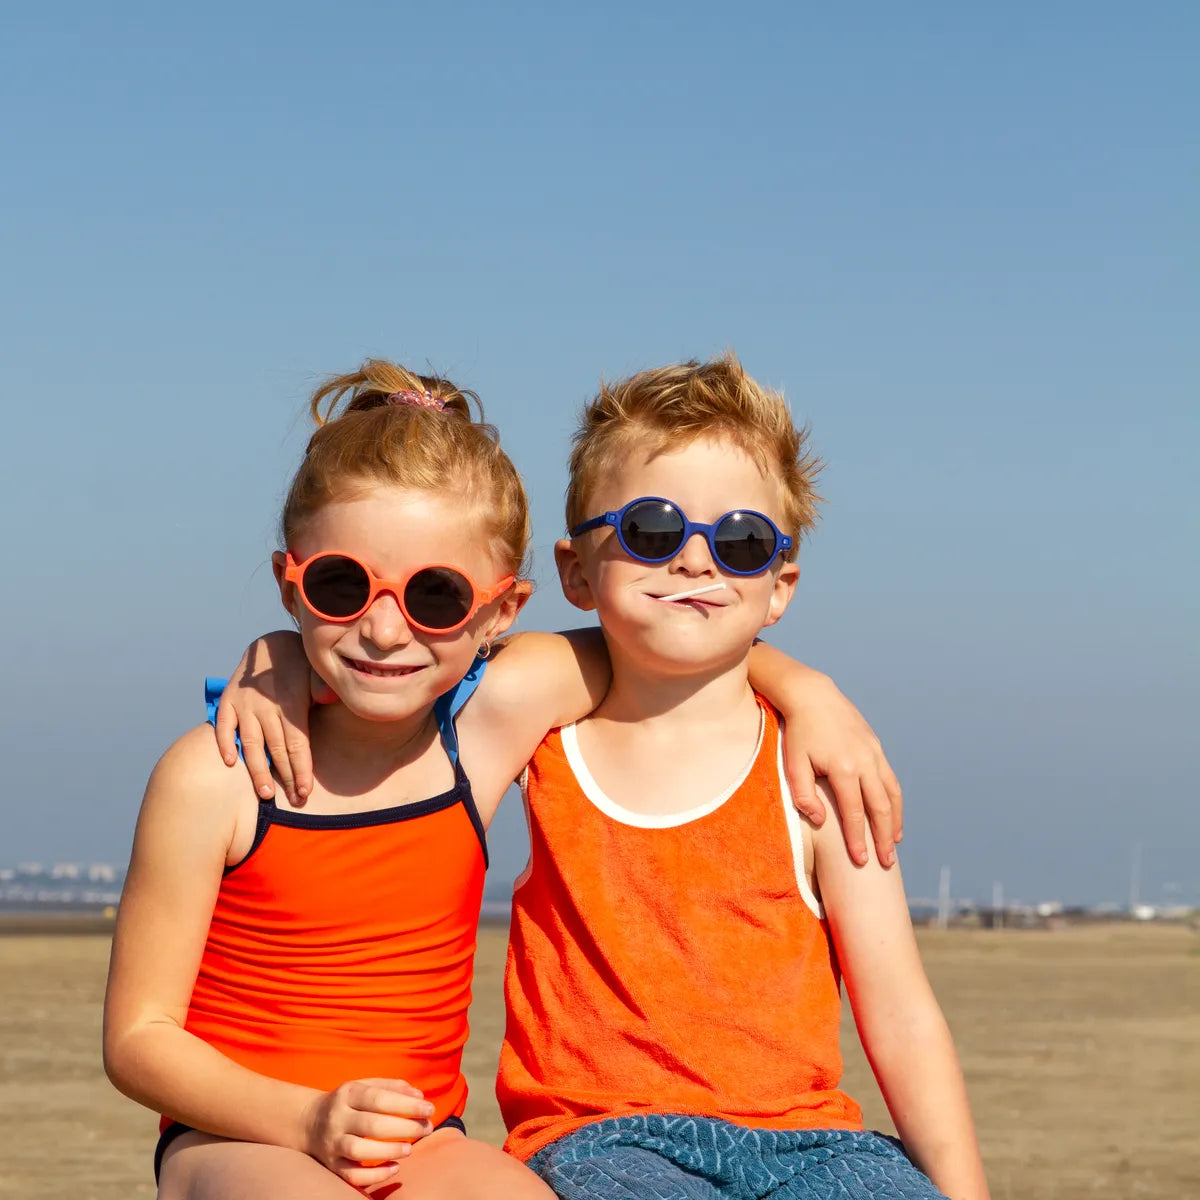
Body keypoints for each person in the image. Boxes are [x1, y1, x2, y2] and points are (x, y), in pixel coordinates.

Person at [104, 359, 901, 1200]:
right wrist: (305, 1120)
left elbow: (669, 639)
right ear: (288, 582)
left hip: (422, 1141)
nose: (383, 628)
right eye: (340, 586)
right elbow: (137, 1039)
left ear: (500, 612)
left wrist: (812, 693)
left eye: (435, 597)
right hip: (236, 1135)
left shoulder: (478, 740)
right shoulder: (216, 774)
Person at [497, 355, 991, 1199]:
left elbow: (901, 1015)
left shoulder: (820, 775)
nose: (697, 562)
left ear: (779, 587)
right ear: (577, 570)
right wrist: (281, 663)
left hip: (815, 1149)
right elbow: (390, 666)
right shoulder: (542, 734)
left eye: (741, 541)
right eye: (653, 530)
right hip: (603, 1144)